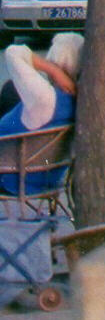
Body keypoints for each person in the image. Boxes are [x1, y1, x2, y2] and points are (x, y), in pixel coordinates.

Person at [0, 34, 80, 198]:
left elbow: (13, 52)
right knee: (11, 90)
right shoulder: (78, 101)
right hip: (46, 178)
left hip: (12, 178)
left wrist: (53, 70)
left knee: (11, 91)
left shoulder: (46, 99)